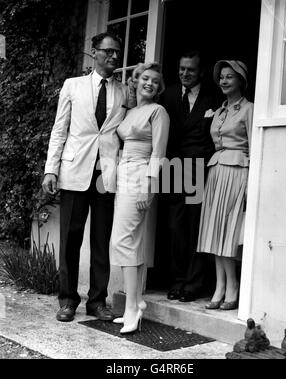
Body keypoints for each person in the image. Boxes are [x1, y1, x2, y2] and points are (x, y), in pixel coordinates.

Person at [42, 32, 135, 322]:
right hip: (74, 171)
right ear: (93, 52)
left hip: (106, 174)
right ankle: (68, 300)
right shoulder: (73, 86)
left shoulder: (123, 92)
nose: (114, 57)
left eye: (117, 52)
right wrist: (50, 169)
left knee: (100, 239)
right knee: (70, 238)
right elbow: (60, 130)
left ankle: (97, 301)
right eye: (108, 51)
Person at [110, 62, 170, 334]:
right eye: (146, 78)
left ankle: (133, 307)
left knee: (123, 240)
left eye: (155, 81)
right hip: (124, 174)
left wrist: (149, 186)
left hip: (140, 175)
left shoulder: (158, 111)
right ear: (136, 80)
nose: (150, 83)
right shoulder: (131, 111)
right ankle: (134, 302)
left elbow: (158, 153)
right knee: (129, 240)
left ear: (160, 88)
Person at [160, 50, 217, 302]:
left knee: (195, 226)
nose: (185, 73)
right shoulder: (168, 94)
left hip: (198, 168)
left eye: (190, 70)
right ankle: (177, 280)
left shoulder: (213, 97)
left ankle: (194, 284)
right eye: (182, 69)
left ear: (200, 72)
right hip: (173, 168)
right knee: (174, 228)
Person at [197, 60, 253, 310]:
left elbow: (255, 148)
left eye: (230, 76)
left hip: (237, 172)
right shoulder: (218, 112)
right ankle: (219, 286)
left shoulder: (249, 109)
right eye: (221, 77)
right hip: (217, 171)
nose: (224, 80)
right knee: (215, 231)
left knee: (229, 232)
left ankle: (232, 286)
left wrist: (251, 183)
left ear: (241, 80)